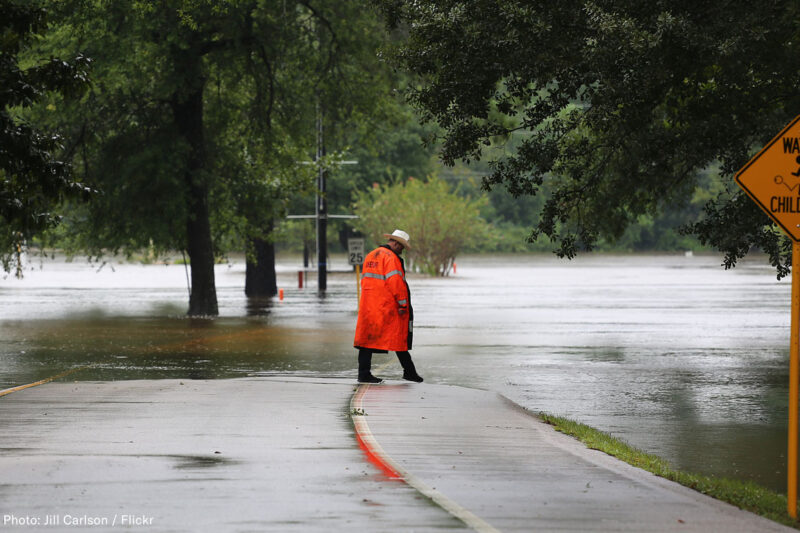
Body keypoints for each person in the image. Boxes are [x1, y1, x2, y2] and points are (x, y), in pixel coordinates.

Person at [354, 229, 423, 384]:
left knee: (366, 339)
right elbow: (396, 283)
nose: (402, 251)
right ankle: (409, 372)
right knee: (399, 336)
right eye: (402, 247)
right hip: (387, 306)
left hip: (369, 305)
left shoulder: (371, 255)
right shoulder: (391, 258)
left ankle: (364, 373)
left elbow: (365, 280)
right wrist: (403, 304)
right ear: (396, 243)